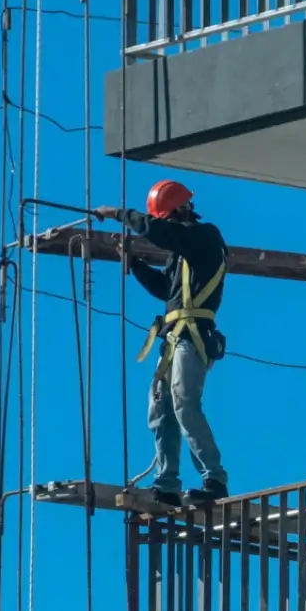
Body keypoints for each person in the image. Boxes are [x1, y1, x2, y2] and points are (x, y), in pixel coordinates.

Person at [94, 180, 230, 507]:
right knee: (161, 408)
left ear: (181, 212)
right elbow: (164, 289)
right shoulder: (183, 254)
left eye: (167, 219)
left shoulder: (204, 237)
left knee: (184, 402)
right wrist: (135, 263)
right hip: (174, 337)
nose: (165, 226)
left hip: (192, 335)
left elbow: (160, 232)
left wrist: (117, 213)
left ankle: (214, 478)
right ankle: (167, 483)